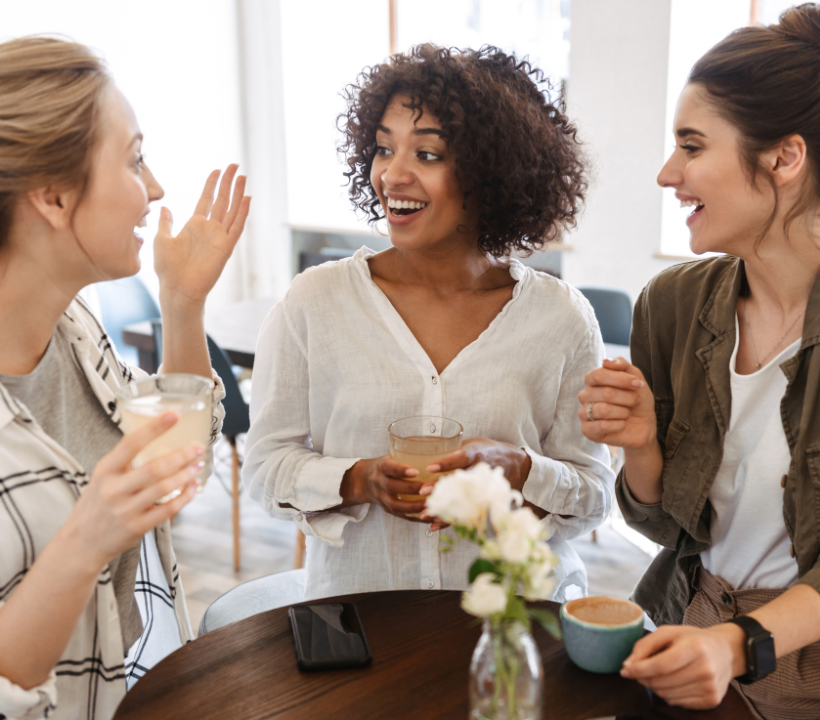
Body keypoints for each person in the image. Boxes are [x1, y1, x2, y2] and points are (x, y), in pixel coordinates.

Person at [244, 44, 613, 602]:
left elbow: (594, 495)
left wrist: (521, 470)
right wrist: (358, 480)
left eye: (428, 154)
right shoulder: (317, 301)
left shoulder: (560, 318)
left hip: (513, 626)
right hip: (363, 622)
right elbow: (264, 467)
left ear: (490, 172)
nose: (393, 175)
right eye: (383, 148)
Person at [579, 5, 820, 717]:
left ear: (784, 158)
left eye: (691, 146)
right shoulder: (673, 305)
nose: (667, 173)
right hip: (688, 626)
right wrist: (641, 444)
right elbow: (662, 525)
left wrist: (740, 645)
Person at [0, 37, 249, 720]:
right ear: (53, 196)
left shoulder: (75, 331)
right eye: (135, 159)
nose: (157, 189)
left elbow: (176, 451)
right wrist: (86, 539)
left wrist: (183, 303)